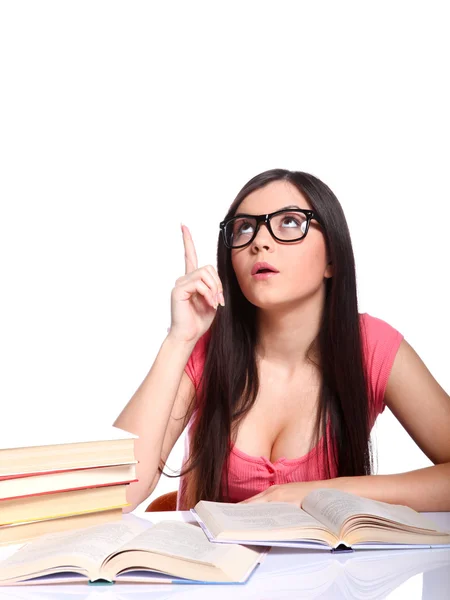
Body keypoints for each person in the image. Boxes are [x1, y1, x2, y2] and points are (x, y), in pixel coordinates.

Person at [114, 169, 450, 513]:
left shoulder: (371, 347)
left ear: (332, 258)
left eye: (290, 222)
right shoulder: (206, 347)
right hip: (210, 565)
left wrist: (318, 494)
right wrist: (179, 339)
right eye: (245, 227)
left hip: (330, 568)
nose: (260, 241)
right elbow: (120, 493)